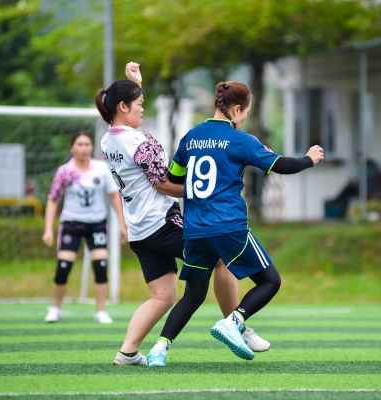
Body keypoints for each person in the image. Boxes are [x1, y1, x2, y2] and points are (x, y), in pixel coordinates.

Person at [95, 62, 270, 366]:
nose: (143, 108)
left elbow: (127, 118)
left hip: (139, 231)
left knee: (162, 296)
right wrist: (209, 188)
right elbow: (163, 183)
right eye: (139, 103)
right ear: (123, 106)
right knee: (221, 257)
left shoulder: (108, 139)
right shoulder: (137, 142)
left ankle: (127, 352)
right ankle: (238, 328)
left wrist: (134, 83)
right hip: (161, 223)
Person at [145, 80, 325, 367]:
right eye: (245, 113)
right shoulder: (240, 140)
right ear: (237, 109)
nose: (244, 118)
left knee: (193, 295)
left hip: (195, 228)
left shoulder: (191, 137)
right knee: (270, 281)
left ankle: (159, 350)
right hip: (228, 226)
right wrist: (309, 159)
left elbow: (175, 178)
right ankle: (234, 321)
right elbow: (280, 165)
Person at [42, 131, 126, 324]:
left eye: (87, 144)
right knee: (63, 267)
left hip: (96, 224)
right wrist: (48, 229)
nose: (84, 148)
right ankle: (55, 309)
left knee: (101, 266)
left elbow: (114, 196)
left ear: (91, 147)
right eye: (79, 144)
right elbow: (53, 199)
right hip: (71, 223)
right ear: (72, 147)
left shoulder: (101, 169)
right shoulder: (65, 171)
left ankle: (101, 311)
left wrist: (123, 225)